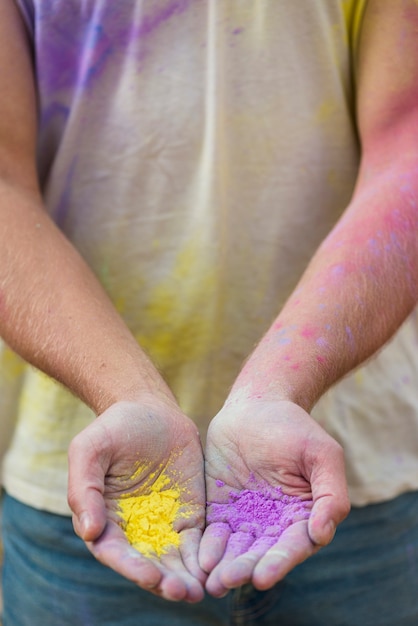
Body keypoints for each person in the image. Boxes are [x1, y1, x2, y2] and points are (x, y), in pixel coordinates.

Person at [1, 0, 418, 623]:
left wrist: (276, 388)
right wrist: (125, 395)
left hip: (355, 470)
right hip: (92, 481)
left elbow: (406, 145)